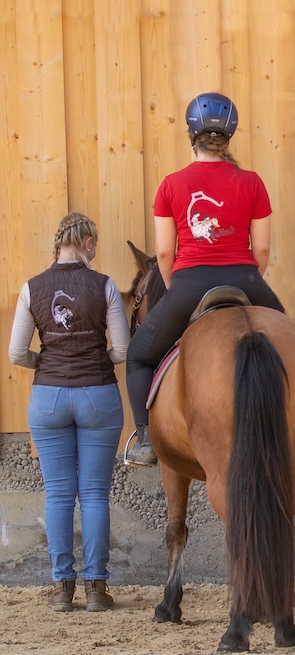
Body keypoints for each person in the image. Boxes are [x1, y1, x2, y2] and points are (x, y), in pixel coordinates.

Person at [124, 92, 285, 466]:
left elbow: (164, 254)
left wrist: (176, 286)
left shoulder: (171, 185)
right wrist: (245, 278)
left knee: (138, 356)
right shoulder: (253, 182)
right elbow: (260, 251)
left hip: (189, 284)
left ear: (190, 134)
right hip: (245, 278)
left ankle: (145, 439)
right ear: (230, 135)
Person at [8, 213, 131, 612]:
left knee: (59, 494)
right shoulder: (105, 285)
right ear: (88, 241)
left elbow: (15, 353)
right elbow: (124, 351)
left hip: (49, 398)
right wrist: (99, 357)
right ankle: (96, 588)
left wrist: (47, 361)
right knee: (94, 494)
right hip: (98, 393)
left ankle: (63, 589)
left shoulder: (32, 288)